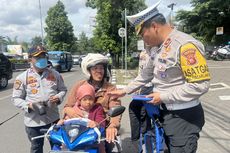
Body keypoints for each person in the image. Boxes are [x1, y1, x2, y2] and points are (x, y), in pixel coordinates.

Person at [108, 1, 211, 153]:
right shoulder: (157, 48)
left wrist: (162, 96)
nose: (143, 40)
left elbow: (200, 85)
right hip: (164, 113)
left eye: (143, 34)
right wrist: (124, 91)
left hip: (183, 117)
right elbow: (146, 74)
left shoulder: (185, 46)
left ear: (154, 26)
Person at [12, 45, 67, 153]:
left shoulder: (55, 74)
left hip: (54, 119)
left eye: (44, 56)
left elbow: (63, 90)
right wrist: (30, 105)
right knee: (36, 148)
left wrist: (58, 97)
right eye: (38, 57)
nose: (42, 59)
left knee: (58, 147)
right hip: (34, 123)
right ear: (30, 59)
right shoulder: (22, 78)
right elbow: (16, 98)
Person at [63, 53, 122, 153]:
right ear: (89, 71)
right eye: (95, 68)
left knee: (114, 148)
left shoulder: (110, 88)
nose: (99, 71)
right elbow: (67, 106)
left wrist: (113, 125)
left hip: (102, 128)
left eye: (101, 68)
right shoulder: (79, 85)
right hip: (79, 129)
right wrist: (72, 113)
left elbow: (116, 108)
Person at [61, 83, 106, 153]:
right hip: (76, 137)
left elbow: (101, 120)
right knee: (63, 147)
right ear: (79, 100)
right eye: (84, 99)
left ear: (94, 99)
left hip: (92, 138)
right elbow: (67, 121)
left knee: (101, 146)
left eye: (90, 99)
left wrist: (96, 123)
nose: (88, 102)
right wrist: (62, 122)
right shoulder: (74, 109)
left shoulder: (97, 108)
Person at [128, 49, 152, 152]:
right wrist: (138, 88)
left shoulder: (157, 52)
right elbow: (141, 73)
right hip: (144, 87)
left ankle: (145, 135)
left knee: (143, 110)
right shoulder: (143, 53)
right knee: (133, 107)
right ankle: (136, 138)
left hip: (155, 87)